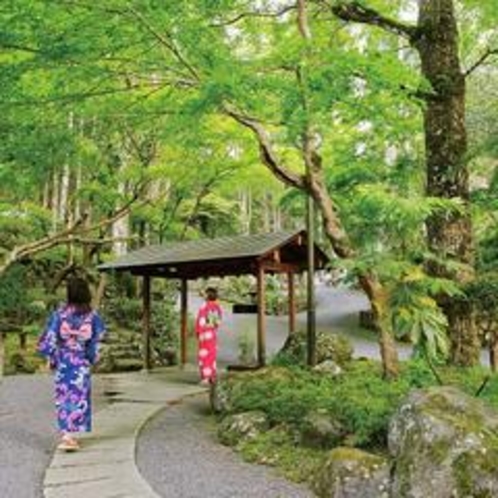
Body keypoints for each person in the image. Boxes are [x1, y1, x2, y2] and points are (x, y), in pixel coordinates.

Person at [38, 276, 106, 451]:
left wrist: (51, 359)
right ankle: (69, 437)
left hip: (64, 361)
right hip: (81, 363)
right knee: (79, 396)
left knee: (64, 397)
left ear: (69, 294)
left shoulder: (59, 314)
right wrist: (91, 359)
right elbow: (96, 342)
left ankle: (66, 435)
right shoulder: (93, 317)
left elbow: (50, 339)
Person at [195, 287, 223, 385]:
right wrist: (212, 328)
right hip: (212, 333)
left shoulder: (204, 306)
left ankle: (205, 378)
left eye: (205, 294)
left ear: (208, 295)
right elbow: (218, 322)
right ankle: (212, 376)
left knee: (204, 356)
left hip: (204, 333)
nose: (204, 295)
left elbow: (201, 320)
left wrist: (199, 332)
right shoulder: (217, 307)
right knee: (211, 355)